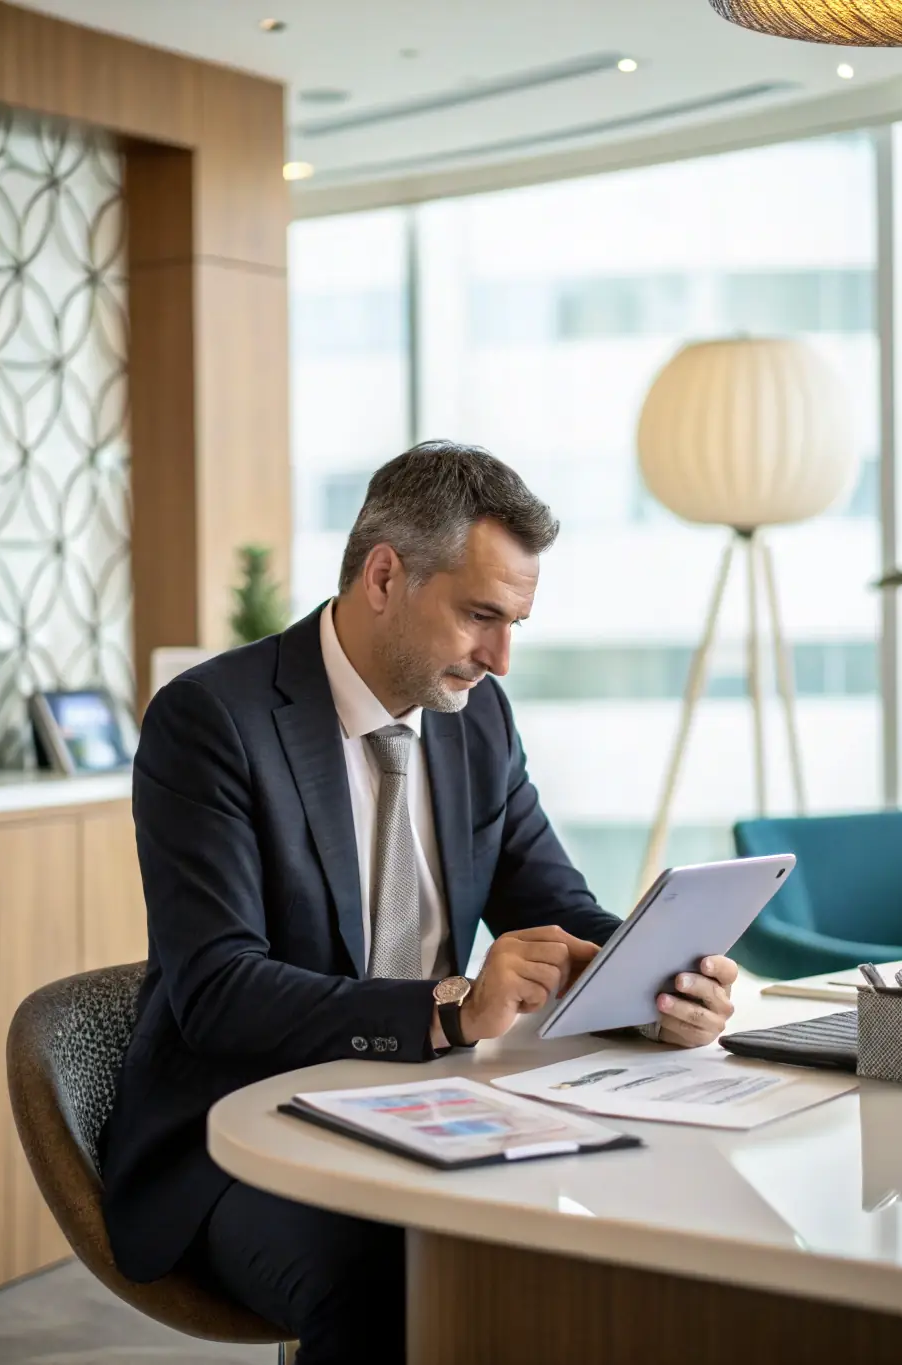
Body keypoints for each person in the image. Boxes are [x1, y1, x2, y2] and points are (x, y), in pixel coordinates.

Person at [100, 441, 737, 1364]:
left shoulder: (475, 718)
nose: (502, 658)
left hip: (438, 1109)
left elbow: (560, 905)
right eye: (481, 615)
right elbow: (218, 989)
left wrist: (664, 979)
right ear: (385, 574)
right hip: (240, 1133)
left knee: (630, 1228)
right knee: (401, 1278)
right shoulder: (213, 721)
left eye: (516, 621)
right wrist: (449, 1007)